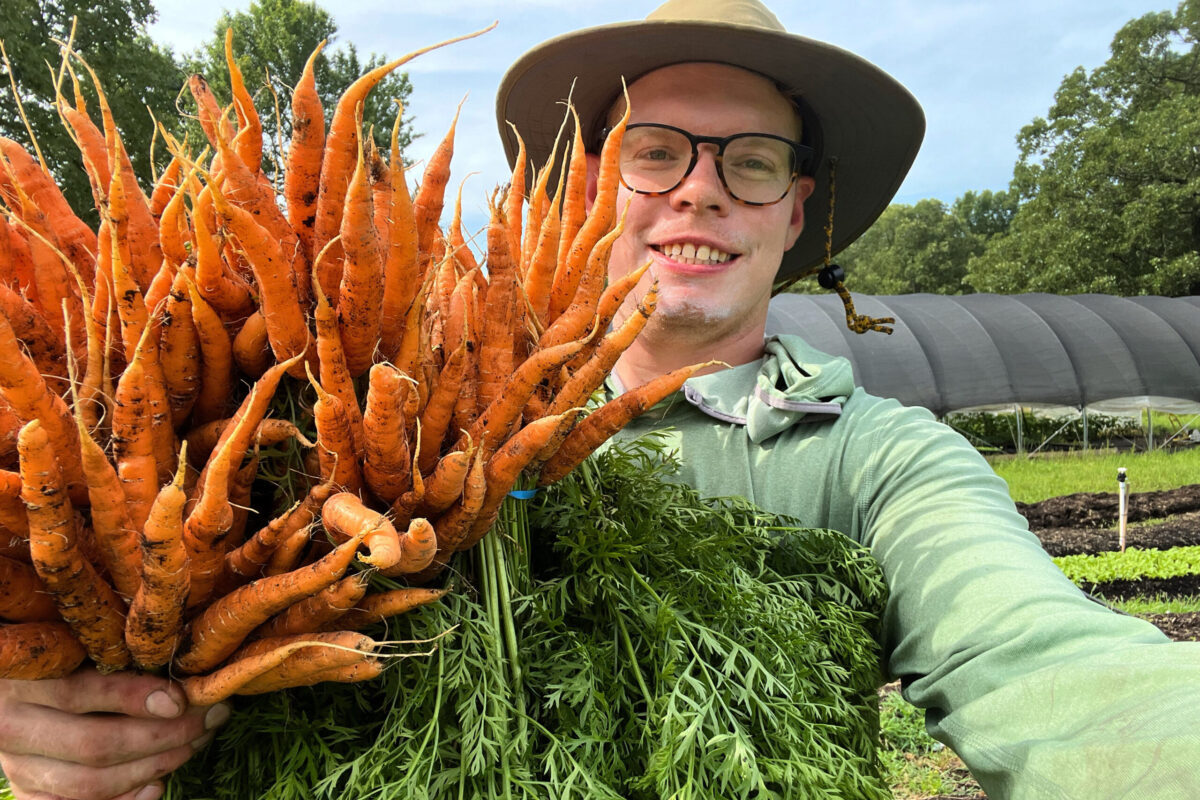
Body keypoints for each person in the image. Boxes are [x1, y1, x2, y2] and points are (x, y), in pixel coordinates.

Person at [2, 2, 1198, 799]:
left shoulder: (877, 459)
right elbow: (143, 557)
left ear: (797, 211)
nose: (702, 193)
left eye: (754, 162)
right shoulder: (335, 407)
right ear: (585, 183)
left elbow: (1053, 665)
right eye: (655, 151)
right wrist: (73, 694)